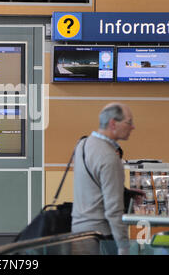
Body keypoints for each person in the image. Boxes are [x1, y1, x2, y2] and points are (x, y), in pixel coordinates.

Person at [71, 103, 136, 255]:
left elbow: (91, 185)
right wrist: (124, 245)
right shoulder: (110, 157)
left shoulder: (82, 145)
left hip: (77, 232)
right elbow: (113, 210)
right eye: (129, 122)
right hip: (100, 238)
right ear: (113, 123)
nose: (133, 127)